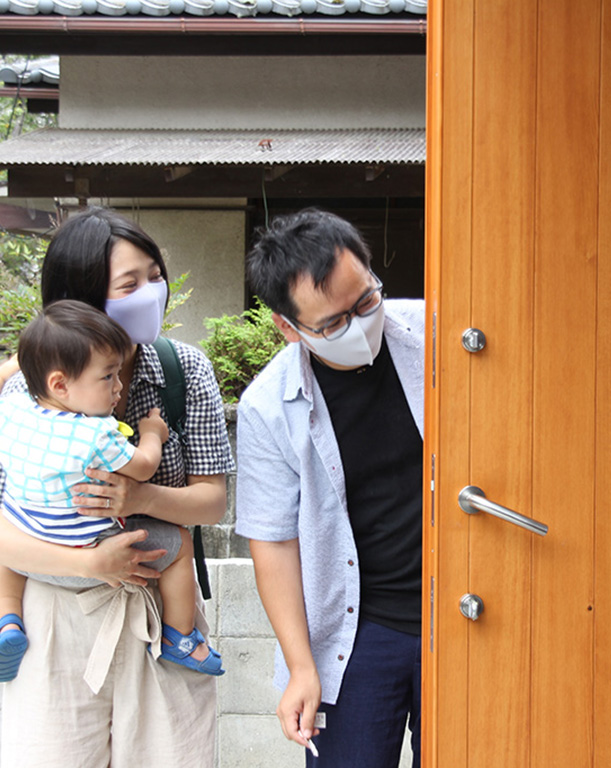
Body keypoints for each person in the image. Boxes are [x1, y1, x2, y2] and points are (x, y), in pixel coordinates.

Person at [0, 208, 234, 767]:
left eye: (155, 277)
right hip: (54, 622)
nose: (151, 293)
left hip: (161, 619)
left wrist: (140, 499)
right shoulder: (31, 392)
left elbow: (213, 501)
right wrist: (89, 563)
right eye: (129, 285)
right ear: (80, 300)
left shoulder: (185, 371)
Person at [235, 209, 424, 768]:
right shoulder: (268, 406)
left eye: (366, 301)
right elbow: (271, 540)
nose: (361, 325)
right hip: (358, 631)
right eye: (333, 323)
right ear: (288, 327)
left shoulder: (439, 335)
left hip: (463, 614)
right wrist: (300, 665)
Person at [0, 300, 224, 683]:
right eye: (108, 377)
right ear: (60, 383)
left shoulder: (11, 412)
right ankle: (181, 636)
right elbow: (144, 466)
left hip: (32, 544)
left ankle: (6, 624)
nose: (118, 387)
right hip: (95, 546)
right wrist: (152, 434)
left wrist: (2, 373)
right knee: (180, 544)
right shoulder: (96, 434)